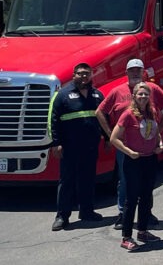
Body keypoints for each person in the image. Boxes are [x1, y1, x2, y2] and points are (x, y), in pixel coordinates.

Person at [96, 58, 163, 230]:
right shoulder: (117, 91)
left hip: (148, 145)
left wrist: (159, 128)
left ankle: (146, 213)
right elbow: (100, 111)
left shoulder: (152, 89)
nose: (136, 73)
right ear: (127, 73)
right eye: (132, 70)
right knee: (125, 180)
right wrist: (111, 135)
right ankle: (123, 214)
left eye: (139, 69)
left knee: (147, 181)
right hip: (126, 146)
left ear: (143, 71)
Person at [50, 62, 106, 231]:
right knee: (67, 182)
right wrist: (56, 143)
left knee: (87, 180)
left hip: (90, 146)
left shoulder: (97, 95)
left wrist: (109, 138)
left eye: (87, 74)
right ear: (74, 75)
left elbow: (104, 118)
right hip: (69, 147)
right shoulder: (63, 95)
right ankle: (62, 216)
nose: (84, 76)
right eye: (80, 73)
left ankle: (87, 211)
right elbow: (53, 119)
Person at [110, 82, 163, 251]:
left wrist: (160, 144)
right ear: (134, 96)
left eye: (146, 94)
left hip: (150, 159)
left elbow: (155, 132)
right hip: (134, 161)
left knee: (147, 196)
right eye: (140, 94)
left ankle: (142, 230)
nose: (143, 97)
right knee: (131, 199)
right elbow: (114, 138)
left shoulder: (152, 112)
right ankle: (126, 236)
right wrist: (128, 151)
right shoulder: (128, 115)